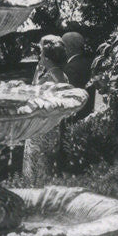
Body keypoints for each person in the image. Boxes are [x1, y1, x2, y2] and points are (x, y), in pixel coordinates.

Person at [22, 34, 68, 185]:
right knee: (32, 165)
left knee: (44, 165)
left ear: (47, 56)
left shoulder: (58, 75)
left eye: (41, 51)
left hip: (47, 126)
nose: (38, 54)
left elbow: (62, 97)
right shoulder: (43, 70)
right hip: (35, 124)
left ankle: (43, 196)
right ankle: (31, 192)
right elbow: (34, 89)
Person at [61, 31, 95, 122]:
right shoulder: (91, 62)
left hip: (74, 119)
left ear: (70, 48)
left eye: (62, 46)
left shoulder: (70, 68)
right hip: (89, 115)